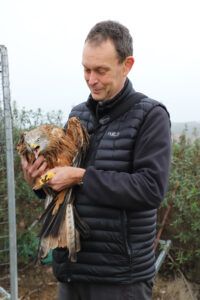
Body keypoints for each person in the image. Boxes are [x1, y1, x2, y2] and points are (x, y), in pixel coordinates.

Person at [21, 20, 171, 300]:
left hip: (119, 281)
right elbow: (62, 190)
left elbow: (151, 189)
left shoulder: (151, 116)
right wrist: (39, 180)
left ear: (127, 65)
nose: (91, 79)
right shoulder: (79, 115)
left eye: (101, 70)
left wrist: (81, 175)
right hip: (72, 271)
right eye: (86, 69)